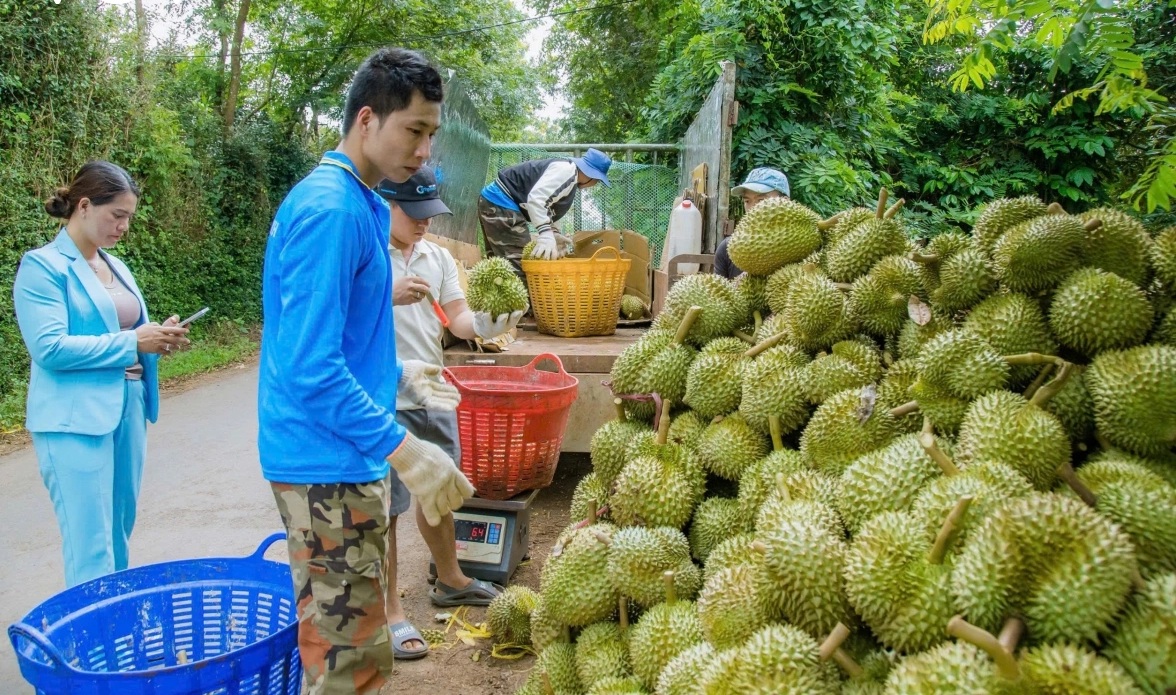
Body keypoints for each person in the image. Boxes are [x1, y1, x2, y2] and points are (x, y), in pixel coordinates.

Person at [258, 48, 474, 695]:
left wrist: (402, 379)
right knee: (348, 659)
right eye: (414, 131)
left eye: (432, 134)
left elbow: (347, 336)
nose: (425, 152)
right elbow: (311, 367)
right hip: (325, 459)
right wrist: (404, 446)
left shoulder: (361, 201)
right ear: (367, 120)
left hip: (344, 451)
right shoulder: (331, 210)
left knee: (352, 645)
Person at [12, 161, 191, 588]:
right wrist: (133, 342)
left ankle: (118, 636)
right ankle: (92, 648)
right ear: (86, 206)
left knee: (117, 534)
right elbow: (50, 348)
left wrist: (157, 340)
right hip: (73, 421)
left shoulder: (117, 267)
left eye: (129, 217)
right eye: (118, 215)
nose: (124, 226)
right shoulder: (43, 267)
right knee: (90, 543)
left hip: (127, 407)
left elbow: (125, 334)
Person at [373, 165, 522, 660]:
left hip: (431, 392)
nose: (423, 223)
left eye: (429, 213)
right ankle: (390, 611)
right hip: (383, 396)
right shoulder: (366, 252)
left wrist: (487, 321)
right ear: (385, 205)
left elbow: (456, 317)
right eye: (412, 213)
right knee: (388, 507)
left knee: (440, 491)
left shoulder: (436, 257)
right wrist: (385, 295)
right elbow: (340, 314)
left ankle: (451, 579)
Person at [478, 148, 613, 273]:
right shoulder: (567, 171)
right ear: (593, 176)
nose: (595, 184)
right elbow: (536, 199)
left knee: (499, 265)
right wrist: (545, 233)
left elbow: (549, 206)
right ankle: (527, 300)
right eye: (598, 181)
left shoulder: (571, 179)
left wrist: (554, 232)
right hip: (501, 202)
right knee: (522, 267)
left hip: (495, 202)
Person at [713, 167, 791, 279]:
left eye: (761, 200)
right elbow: (716, 293)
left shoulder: (804, 248)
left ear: (785, 202)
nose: (752, 208)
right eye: (747, 201)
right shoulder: (728, 248)